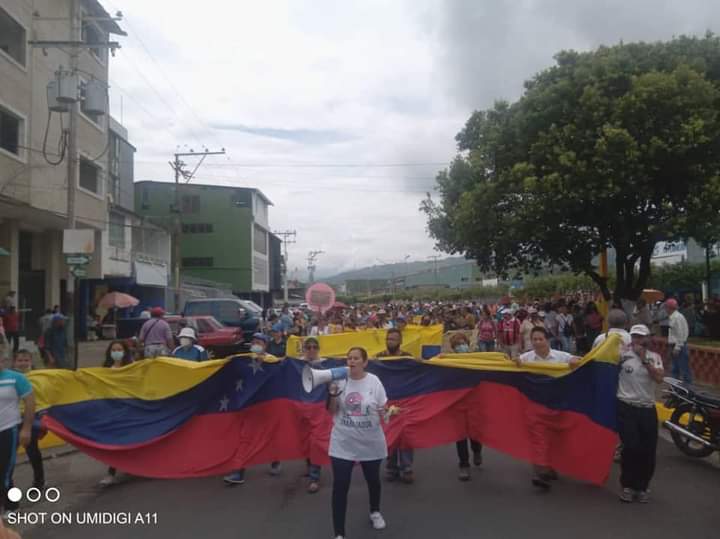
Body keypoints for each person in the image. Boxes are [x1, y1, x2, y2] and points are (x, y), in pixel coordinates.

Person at [327, 347, 397, 539]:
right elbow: (331, 411)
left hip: (370, 442)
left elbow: (383, 409)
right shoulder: (339, 380)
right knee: (340, 485)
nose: (352, 361)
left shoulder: (374, 381)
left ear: (364, 362)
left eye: (356, 358)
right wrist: (332, 394)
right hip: (343, 442)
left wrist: (389, 412)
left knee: (373, 480)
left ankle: (375, 511)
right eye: (349, 358)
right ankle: (339, 533)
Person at [516, 327, 580, 489]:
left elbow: (582, 361)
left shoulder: (562, 357)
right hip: (534, 404)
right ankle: (541, 472)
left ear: (547, 340)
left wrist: (575, 362)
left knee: (556, 438)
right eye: (534, 339)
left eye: (540, 339)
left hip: (557, 405)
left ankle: (550, 466)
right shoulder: (525, 358)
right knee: (538, 438)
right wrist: (516, 364)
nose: (537, 342)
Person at [223, 333, 281, 485]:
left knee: (270, 435)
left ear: (265, 345)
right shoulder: (245, 359)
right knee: (245, 438)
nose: (255, 344)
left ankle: (275, 460)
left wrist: (264, 362)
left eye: (259, 342)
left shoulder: (270, 360)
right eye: (253, 342)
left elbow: (277, 369)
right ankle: (238, 471)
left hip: (267, 405)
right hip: (249, 405)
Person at [616, 324, 664, 503]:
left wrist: (644, 360)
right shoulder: (622, 355)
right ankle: (627, 486)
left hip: (647, 408)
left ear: (647, 339)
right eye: (634, 336)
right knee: (631, 447)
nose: (637, 340)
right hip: (626, 407)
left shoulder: (654, 357)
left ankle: (642, 487)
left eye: (640, 337)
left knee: (648, 450)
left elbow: (659, 378)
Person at [0, 346, 35, 513]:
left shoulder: (16, 378)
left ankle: (11, 507)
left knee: (5, 471)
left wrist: (26, 429)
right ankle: (10, 503)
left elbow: (30, 402)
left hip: (9, 431)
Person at [376, 329, 414, 483]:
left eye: (393, 339)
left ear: (400, 341)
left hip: (404, 401)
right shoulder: (378, 358)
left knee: (405, 436)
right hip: (386, 401)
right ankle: (391, 468)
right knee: (389, 434)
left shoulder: (408, 358)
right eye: (388, 338)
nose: (390, 341)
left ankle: (407, 468)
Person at [99, 340, 135, 486]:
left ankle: (126, 468)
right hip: (112, 409)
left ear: (125, 351)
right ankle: (111, 472)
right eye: (113, 350)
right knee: (114, 441)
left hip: (128, 408)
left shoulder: (132, 368)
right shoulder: (105, 369)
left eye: (119, 349)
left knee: (130, 440)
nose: (116, 352)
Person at [449, 334, 483, 480]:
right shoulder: (448, 362)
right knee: (460, 435)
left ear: (467, 344)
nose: (460, 347)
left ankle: (476, 450)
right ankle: (464, 465)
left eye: (462, 343)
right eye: (457, 345)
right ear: (453, 348)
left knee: (475, 432)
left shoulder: (477, 359)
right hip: (457, 403)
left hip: (475, 402)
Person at [11, 350, 45, 490]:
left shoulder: (38, 378)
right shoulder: (10, 378)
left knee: (33, 452)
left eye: (26, 360)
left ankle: (39, 481)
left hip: (30, 420)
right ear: (14, 362)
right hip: (12, 420)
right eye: (20, 360)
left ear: (31, 362)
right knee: (8, 456)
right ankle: (6, 485)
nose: (23, 363)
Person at [300, 337, 325, 493]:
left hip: (319, 408)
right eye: (308, 347)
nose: (311, 349)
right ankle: (310, 467)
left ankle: (314, 477)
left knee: (316, 441)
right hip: (301, 408)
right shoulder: (295, 364)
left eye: (314, 347)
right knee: (304, 439)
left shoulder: (325, 364)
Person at [665, 298, 691, 383]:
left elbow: (681, 334)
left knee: (683, 369)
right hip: (675, 345)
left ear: (669, 307)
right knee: (674, 369)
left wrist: (677, 347)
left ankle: (687, 390)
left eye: (666, 307)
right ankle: (675, 390)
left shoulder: (677, 317)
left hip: (679, 346)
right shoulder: (674, 317)